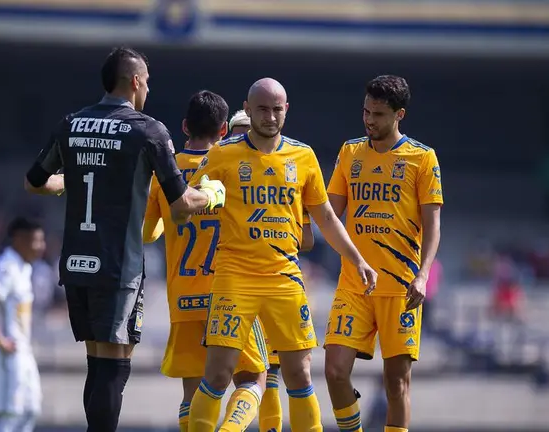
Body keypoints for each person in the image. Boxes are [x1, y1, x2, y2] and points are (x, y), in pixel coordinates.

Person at [23, 47, 226, 432]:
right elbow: (182, 205)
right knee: (115, 365)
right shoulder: (147, 130)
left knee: (97, 362)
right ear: (134, 81)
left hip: (75, 262)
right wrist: (212, 192)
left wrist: (71, 184)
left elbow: (33, 182)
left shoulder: (72, 123)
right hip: (118, 265)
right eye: (146, 81)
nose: (147, 88)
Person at [187, 78, 377, 432]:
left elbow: (326, 218)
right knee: (217, 373)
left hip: (284, 280)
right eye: (262, 109)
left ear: (286, 110)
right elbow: (190, 199)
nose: (270, 117)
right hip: (234, 279)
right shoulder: (223, 154)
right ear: (248, 108)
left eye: (277, 109)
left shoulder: (302, 157)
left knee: (299, 374)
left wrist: (358, 260)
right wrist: (200, 196)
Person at [144, 90, 277, 432]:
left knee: (194, 392)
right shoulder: (230, 168)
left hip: (184, 296)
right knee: (253, 379)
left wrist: (167, 220)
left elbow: (147, 234)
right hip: (228, 295)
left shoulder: (165, 175)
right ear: (223, 132)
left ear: (185, 126)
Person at [323, 75, 443, 432]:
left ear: (399, 114)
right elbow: (330, 214)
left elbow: (433, 225)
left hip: (400, 289)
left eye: (378, 113)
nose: (369, 120)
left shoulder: (422, 158)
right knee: (333, 371)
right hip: (354, 283)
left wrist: (422, 275)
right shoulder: (349, 153)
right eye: (365, 111)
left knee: (396, 383)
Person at [228, 108, 317, 431]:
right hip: (236, 284)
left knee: (273, 375)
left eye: (244, 132)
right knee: (247, 376)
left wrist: (275, 229)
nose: (241, 139)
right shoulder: (224, 172)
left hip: (278, 281)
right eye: (235, 134)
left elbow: (306, 238)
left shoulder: (285, 170)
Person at [0, 217, 47, 432]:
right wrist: (0, 340)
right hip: (8, 352)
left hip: (22, 350)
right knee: (9, 413)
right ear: (19, 239)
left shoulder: (23, 267)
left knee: (30, 410)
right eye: (36, 241)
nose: (41, 247)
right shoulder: (7, 266)